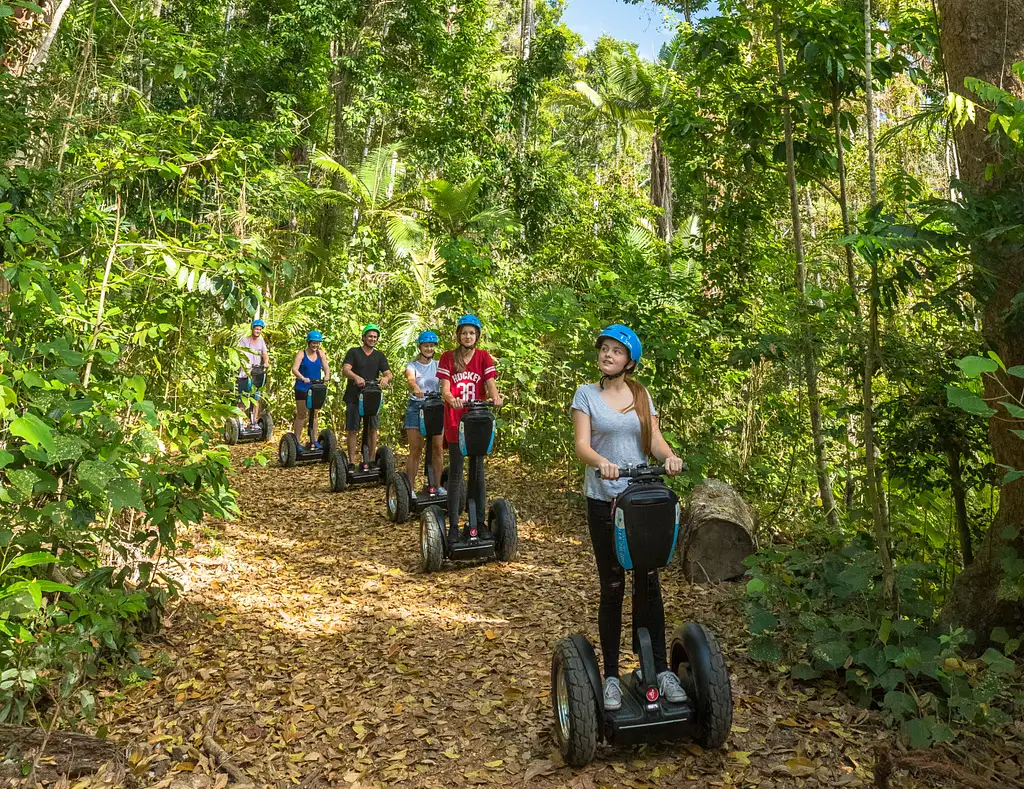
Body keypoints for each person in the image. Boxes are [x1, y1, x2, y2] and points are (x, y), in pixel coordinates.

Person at [570, 324, 688, 712]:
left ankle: (654, 669)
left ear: (629, 361)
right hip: (604, 501)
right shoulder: (586, 394)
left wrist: (668, 456)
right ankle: (609, 677)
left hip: (640, 500)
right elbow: (582, 446)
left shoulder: (641, 394)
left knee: (649, 582)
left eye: (616, 351)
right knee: (613, 585)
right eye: (604, 349)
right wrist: (603, 463)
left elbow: (653, 439)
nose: (607, 355)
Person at [438, 314, 503, 536]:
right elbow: (445, 388)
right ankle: (454, 525)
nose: (468, 336)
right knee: (456, 473)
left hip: (478, 421)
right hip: (457, 423)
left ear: (477, 336)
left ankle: (480, 523)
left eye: (472, 333)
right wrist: (451, 399)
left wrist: (495, 398)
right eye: (464, 332)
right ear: (458, 335)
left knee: (478, 473)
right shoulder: (448, 357)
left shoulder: (484, 357)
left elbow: (490, 383)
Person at [342, 324, 393, 467]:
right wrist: (355, 377)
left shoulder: (379, 355)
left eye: (375, 337)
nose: (372, 339)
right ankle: (351, 462)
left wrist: (385, 378)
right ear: (364, 337)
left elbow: (388, 373)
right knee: (353, 429)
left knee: (372, 429)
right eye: (370, 336)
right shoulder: (354, 352)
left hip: (372, 397)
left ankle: (370, 460)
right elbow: (345, 370)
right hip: (354, 396)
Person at [403, 331, 444, 495]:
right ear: (420, 347)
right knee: (416, 449)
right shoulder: (412, 365)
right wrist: (416, 388)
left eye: (431, 346)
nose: (429, 348)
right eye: (426, 345)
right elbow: (411, 379)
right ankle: (410, 489)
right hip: (417, 407)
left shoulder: (438, 365)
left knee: (438, 448)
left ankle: (437, 485)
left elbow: (445, 380)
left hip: (434, 408)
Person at [290, 330, 331, 449]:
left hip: (315, 387)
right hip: (302, 387)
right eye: (313, 343)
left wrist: (327, 376)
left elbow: (326, 367)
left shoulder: (321, 354)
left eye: (317, 343)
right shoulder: (301, 354)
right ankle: (296, 441)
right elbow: (294, 369)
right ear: (308, 342)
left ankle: (314, 440)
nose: (315, 345)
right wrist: (302, 378)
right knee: (302, 414)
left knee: (314, 415)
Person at [237, 319, 269, 426]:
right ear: (252, 329)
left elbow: (264, 353)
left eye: (260, 329)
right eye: (256, 329)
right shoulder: (244, 341)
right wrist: (245, 365)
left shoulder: (261, 341)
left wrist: (266, 362)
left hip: (256, 374)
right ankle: (239, 422)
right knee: (243, 399)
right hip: (244, 375)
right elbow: (239, 354)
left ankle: (253, 421)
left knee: (256, 399)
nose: (258, 331)